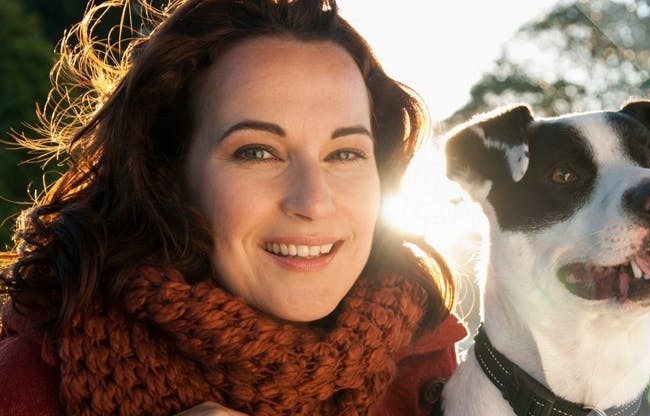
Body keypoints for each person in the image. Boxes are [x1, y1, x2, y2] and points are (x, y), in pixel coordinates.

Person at [0, 0, 467, 414]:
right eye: (257, 152)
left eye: (345, 153)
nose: (313, 201)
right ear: (168, 172)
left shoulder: (439, 369)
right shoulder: (26, 382)